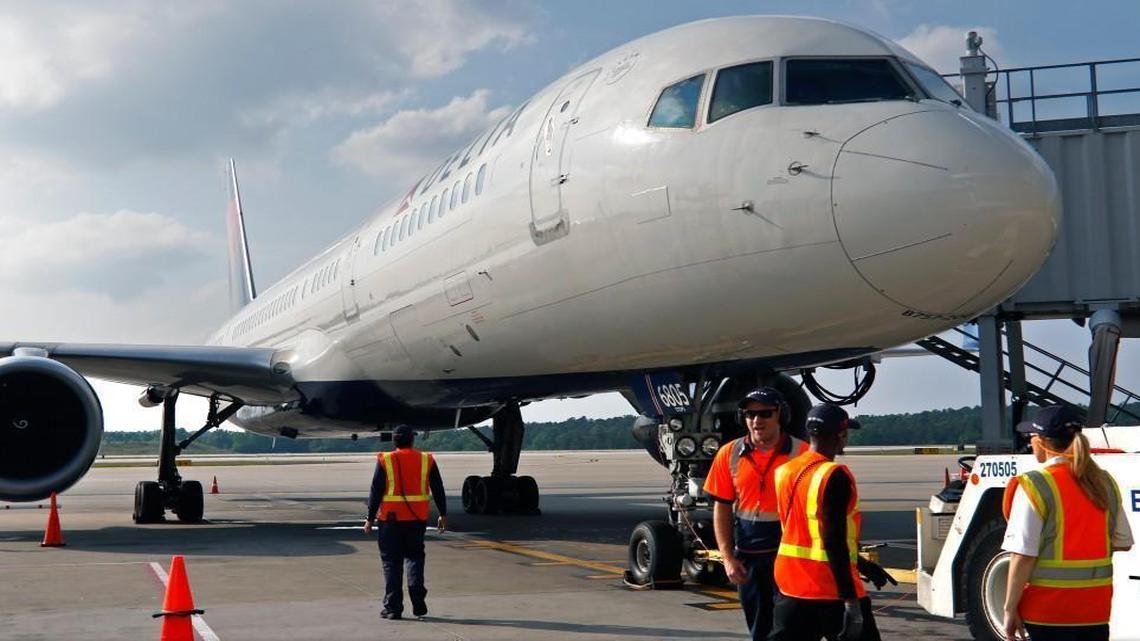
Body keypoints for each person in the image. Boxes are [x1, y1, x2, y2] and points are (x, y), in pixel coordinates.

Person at [1001, 405, 1133, 641]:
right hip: (1095, 610)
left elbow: (1022, 555)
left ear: (1040, 441)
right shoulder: (1103, 482)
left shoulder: (1035, 484)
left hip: (1048, 611)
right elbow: (1123, 542)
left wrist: (1010, 608)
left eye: (1031, 436)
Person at [769, 403, 892, 641]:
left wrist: (863, 565)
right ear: (841, 435)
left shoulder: (784, 471)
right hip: (829, 587)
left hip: (791, 583)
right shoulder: (833, 475)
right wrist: (850, 601)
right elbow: (832, 540)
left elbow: (806, 531)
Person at [704, 387, 810, 641]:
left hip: (789, 557)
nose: (756, 420)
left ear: (780, 415)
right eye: (750, 414)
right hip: (749, 558)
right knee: (759, 628)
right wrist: (728, 558)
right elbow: (722, 507)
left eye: (765, 413)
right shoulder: (729, 454)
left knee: (791, 628)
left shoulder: (803, 454)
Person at [364, 425, 449, 621]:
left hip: (390, 521)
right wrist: (443, 513)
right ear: (412, 440)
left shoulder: (385, 460)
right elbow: (438, 488)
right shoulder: (427, 459)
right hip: (416, 520)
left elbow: (375, 490)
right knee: (415, 559)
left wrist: (369, 518)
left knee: (391, 564)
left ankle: (393, 608)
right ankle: (418, 599)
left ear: (394, 441)